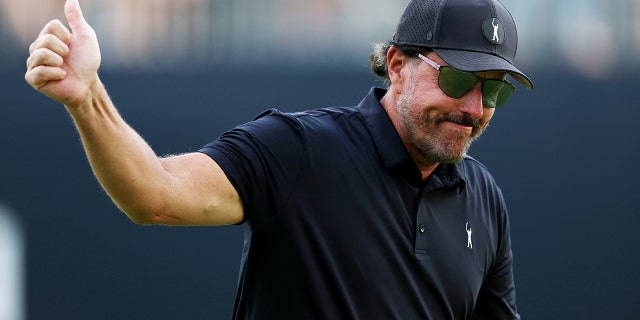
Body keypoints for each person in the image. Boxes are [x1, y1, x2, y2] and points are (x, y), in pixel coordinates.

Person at [25, 0, 533, 318]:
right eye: (459, 80)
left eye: (495, 93)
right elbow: (154, 195)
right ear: (397, 65)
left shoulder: (483, 199)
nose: (474, 108)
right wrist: (86, 97)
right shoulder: (298, 149)